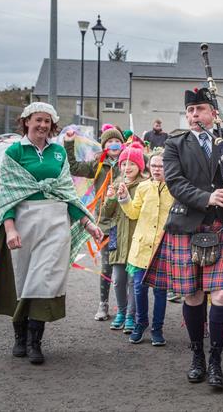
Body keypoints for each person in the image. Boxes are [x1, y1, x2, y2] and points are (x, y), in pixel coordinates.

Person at [143, 88, 223, 389]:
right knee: (193, 295)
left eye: (200, 109)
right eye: (190, 111)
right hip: (187, 225)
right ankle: (197, 356)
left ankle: (215, 360)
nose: (194, 115)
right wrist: (208, 196)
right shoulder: (175, 143)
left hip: (222, 226)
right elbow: (175, 182)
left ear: (214, 113)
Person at [0, 102, 103, 364]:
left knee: (44, 279)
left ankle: (35, 341)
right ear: (26, 121)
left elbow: (67, 194)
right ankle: (19, 337)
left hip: (55, 224)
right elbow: (7, 193)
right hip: (24, 223)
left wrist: (88, 223)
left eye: (47, 122)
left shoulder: (59, 153)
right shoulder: (14, 152)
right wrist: (10, 227)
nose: (42, 125)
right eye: (38, 120)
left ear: (53, 126)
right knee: (23, 279)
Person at [64, 124, 124, 321]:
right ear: (105, 145)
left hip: (127, 221)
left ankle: (128, 309)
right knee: (107, 264)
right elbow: (74, 167)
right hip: (105, 221)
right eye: (110, 141)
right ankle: (103, 304)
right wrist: (69, 144)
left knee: (126, 268)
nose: (115, 144)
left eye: (118, 141)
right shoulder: (98, 163)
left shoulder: (130, 160)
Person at [117, 149, 174, 346]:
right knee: (140, 288)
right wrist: (124, 198)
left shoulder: (175, 188)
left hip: (163, 248)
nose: (157, 169)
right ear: (149, 167)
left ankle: (157, 329)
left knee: (160, 292)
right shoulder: (142, 187)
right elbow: (133, 214)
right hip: (141, 248)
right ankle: (141, 324)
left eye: (162, 165)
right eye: (154, 165)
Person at [103, 143, 146, 333]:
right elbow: (106, 214)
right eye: (123, 165)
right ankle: (120, 311)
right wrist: (111, 198)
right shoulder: (114, 183)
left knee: (133, 281)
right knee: (119, 279)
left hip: (136, 239)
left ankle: (131, 315)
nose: (127, 168)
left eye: (131, 165)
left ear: (140, 167)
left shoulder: (144, 186)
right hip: (118, 239)